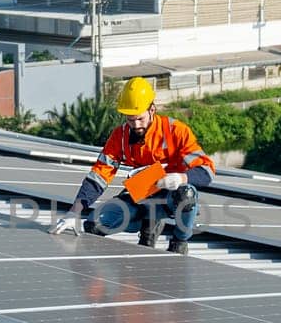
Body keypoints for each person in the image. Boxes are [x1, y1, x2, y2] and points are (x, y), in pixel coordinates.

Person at [49, 77, 215, 254]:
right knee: (94, 225)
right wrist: (74, 212)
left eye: (140, 119)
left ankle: (179, 241)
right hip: (140, 193)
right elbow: (99, 175)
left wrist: (182, 177)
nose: (136, 125)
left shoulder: (175, 131)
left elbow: (207, 171)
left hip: (171, 196)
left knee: (186, 193)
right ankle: (147, 228)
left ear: (152, 109)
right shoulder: (119, 137)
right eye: (130, 120)